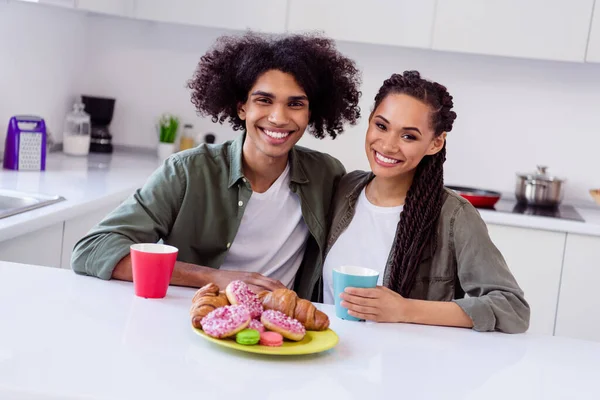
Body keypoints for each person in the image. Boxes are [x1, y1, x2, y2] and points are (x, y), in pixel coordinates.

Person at [71, 32, 361, 298]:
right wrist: (212, 278)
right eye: (264, 100)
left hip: (281, 334)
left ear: (311, 112)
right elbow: (92, 249)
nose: (278, 117)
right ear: (241, 107)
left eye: (295, 104)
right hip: (192, 322)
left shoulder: (326, 174)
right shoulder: (188, 172)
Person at [322, 71, 529, 333]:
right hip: (328, 357)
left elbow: (512, 308)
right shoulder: (342, 190)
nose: (387, 145)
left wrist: (404, 310)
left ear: (435, 143)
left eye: (408, 136)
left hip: (406, 365)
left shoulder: (454, 216)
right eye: (381, 126)